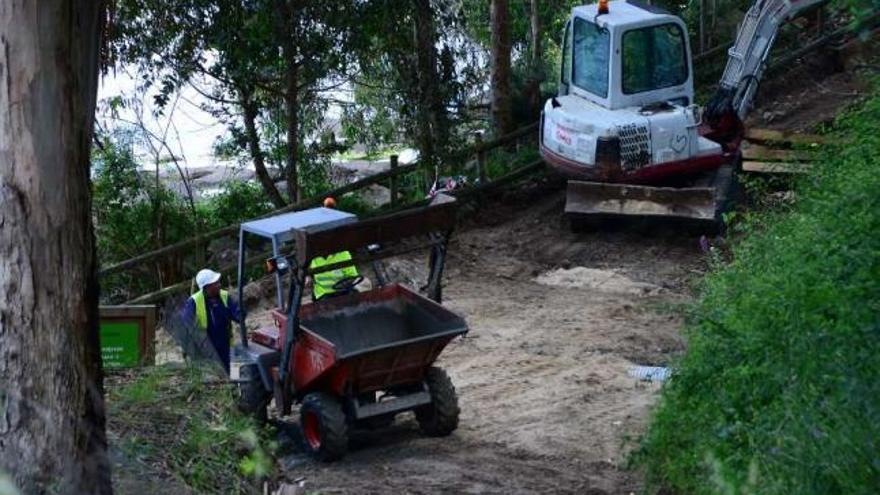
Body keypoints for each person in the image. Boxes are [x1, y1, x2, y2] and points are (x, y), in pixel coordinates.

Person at [181, 268, 241, 373]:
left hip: (227, 345)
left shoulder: (225, 296)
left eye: (218, 282)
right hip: (206, 349)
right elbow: (187, 325)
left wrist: (241, 314)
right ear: (207, 287)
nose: (219, 284)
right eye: (215, 283)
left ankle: (237, 387)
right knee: (214, 378)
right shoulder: (193, 302)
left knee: (235, 373)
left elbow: (237, 315)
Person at [309, 197, 361, 301]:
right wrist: (307, 278)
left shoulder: (343, 254)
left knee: (355, 296)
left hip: (342, 291)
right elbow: (307, 273)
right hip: (323, 295)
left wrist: (345, 285)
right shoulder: (312, 256)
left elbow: (352, 276)